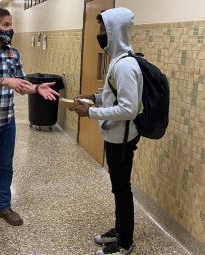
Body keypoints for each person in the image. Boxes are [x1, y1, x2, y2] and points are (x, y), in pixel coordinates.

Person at [0, 8, 60, 230]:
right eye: (5, 25)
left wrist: (35, 88)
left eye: (10, 25)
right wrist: (4, 80)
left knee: (5, 166)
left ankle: (3, 206)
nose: (10, 30)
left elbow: (20, 84)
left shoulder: (13, 53)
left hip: (6, 122)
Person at [71, 7, 143, 255]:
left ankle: (125, 242)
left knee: (122, 189)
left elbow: (128, 109)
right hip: (115, 135)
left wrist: (91, 113)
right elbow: (114, 97)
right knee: (117, 187)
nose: (100, 33)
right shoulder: (117, 60)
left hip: (122, 138)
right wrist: (94, 97)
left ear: (115, 29)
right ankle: (120, 228)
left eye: (103, 28)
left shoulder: (125, 65)